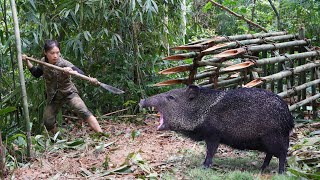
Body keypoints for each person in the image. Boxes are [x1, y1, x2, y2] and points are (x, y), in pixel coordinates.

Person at [22, 40, 102, 133]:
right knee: (48, 121)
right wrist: (27, 62)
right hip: (53, 96)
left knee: (83, 111)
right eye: (52, 53)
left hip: (69, 92)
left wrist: (72, 71)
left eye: (57, 52)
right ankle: (59, 139)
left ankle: (101, 133)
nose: (55, 56)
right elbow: (36, 73)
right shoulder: (43, 62)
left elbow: (81, 73)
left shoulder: (64, 63)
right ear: (45, 52)